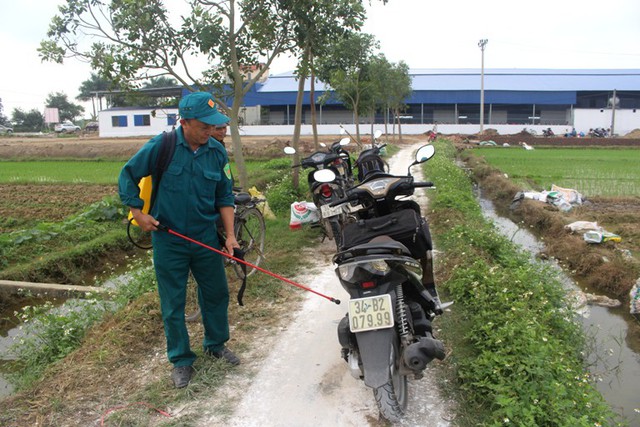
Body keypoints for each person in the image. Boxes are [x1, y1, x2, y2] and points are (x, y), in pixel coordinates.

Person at [118, 91, 240, 389]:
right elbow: (127, 175)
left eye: (213, 126)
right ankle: (181, 360)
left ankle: (215, 344)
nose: (210, 131)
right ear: (184, 122)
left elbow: (224, 196)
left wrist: (231, 236)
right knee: (173, 302)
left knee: (216, 293)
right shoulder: (163, 146)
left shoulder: (217, 152)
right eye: (204, 126)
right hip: (168, 239)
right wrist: (138, 213)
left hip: (205, 238)